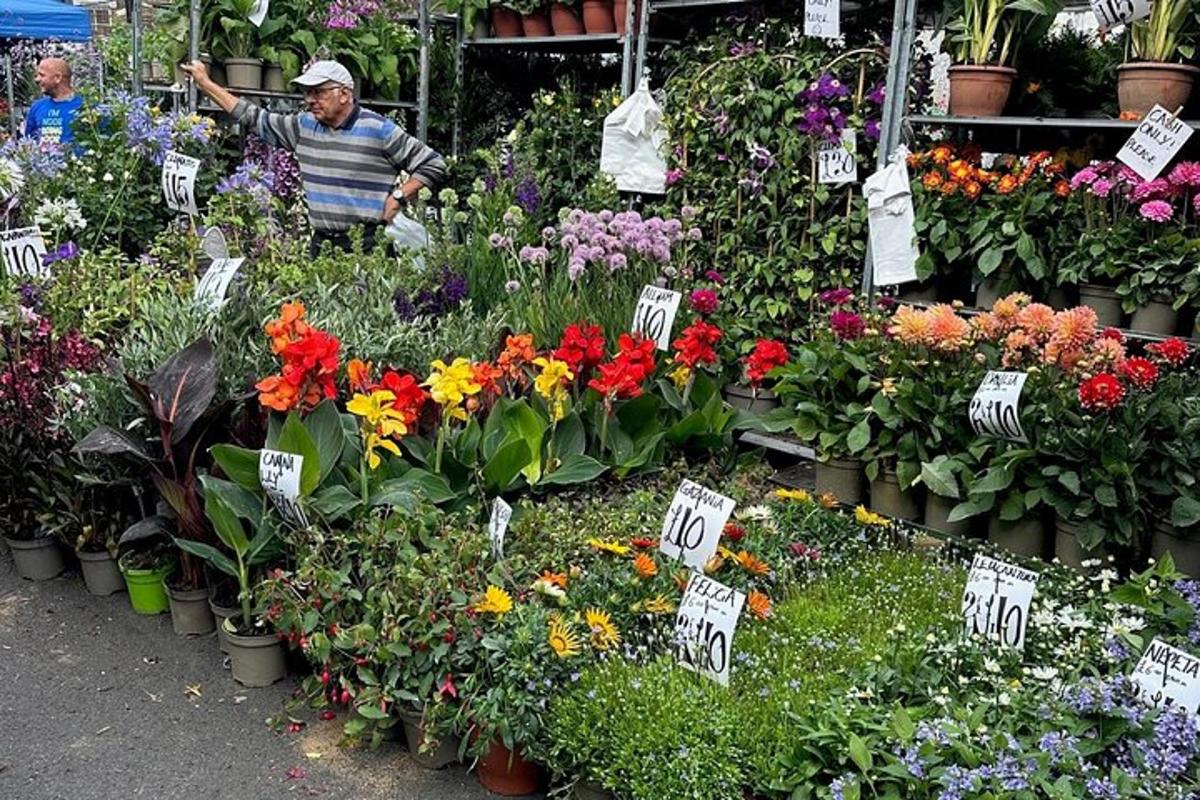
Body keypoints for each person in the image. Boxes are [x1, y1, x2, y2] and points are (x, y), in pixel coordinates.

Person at [180, 59, 445, 255]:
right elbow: (253, 117)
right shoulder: (303, 127)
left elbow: (433, 163)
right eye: (307, 93)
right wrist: (206, 84)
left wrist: (399, 196)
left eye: (319, 92)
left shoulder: (378, 129)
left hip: (367, 244)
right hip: (321, 244)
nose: (310, 99)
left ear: (344, 94)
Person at [25, 58, 83, 146]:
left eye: (42, 75)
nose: (37, 80)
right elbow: (28, 142)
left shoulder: (85, 107)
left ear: (58, 78)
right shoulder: (37, 107)